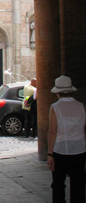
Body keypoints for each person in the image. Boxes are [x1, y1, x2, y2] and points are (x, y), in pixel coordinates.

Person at [47, 75, 86, 203]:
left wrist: (50, 154)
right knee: (78, 184)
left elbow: (52, 132)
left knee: (58, 184)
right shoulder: (81, 106)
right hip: (80, 150)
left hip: (60, 150)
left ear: (57, 92)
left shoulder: (55, 107)